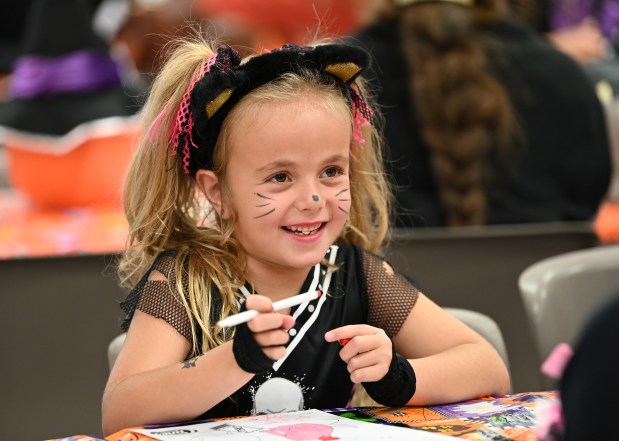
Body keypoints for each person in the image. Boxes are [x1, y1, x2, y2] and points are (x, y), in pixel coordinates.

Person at [101, 37, 510, 435]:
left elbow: (488, 368)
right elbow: (120, 410)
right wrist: (236, 359)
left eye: (331, 172)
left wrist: (397, 376)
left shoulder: (355, 275)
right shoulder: (184, 281)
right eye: (280, 177)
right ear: (217, 192)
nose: (314, 198)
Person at [353, 0, 612, 227]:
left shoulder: (342, 76)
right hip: (534, 280)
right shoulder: (563, 77)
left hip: (382, 282)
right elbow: (584, 205)